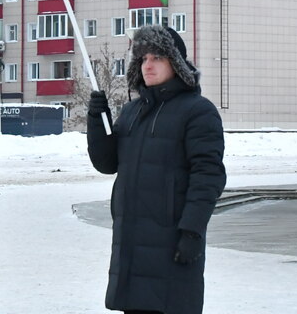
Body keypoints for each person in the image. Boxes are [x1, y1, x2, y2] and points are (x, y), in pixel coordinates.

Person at [87, 25, 226, 314]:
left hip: (172, 244)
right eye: (143, 58)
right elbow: (107, 163)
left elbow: (208, 176)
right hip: (131, 244)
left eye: (157, 58)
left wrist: (192, 231)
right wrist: (97, 120)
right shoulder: (132, 111)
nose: (147, 65)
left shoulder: (198, 111)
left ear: (176, 62)